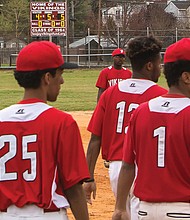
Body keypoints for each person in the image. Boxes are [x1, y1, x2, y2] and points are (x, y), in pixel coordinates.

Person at [0, 41, 90, 220]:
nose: (62, 80)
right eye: (60, 74)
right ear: (47, 78)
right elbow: (73, 188)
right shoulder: (61, 122)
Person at [83, 36, 167, 219]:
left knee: (124, 213)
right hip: (143, 168)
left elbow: (95, 139)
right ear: (149, 66)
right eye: (159, 63)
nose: (161, 69)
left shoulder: (110, 93)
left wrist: (88, 177)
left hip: (115, 170)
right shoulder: (160, 96)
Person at [112, 37, 190, 220]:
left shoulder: (141, 111)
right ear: (186, 77)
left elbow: (128, 164)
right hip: (183, 209)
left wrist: (120, 207)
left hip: (145, 211)